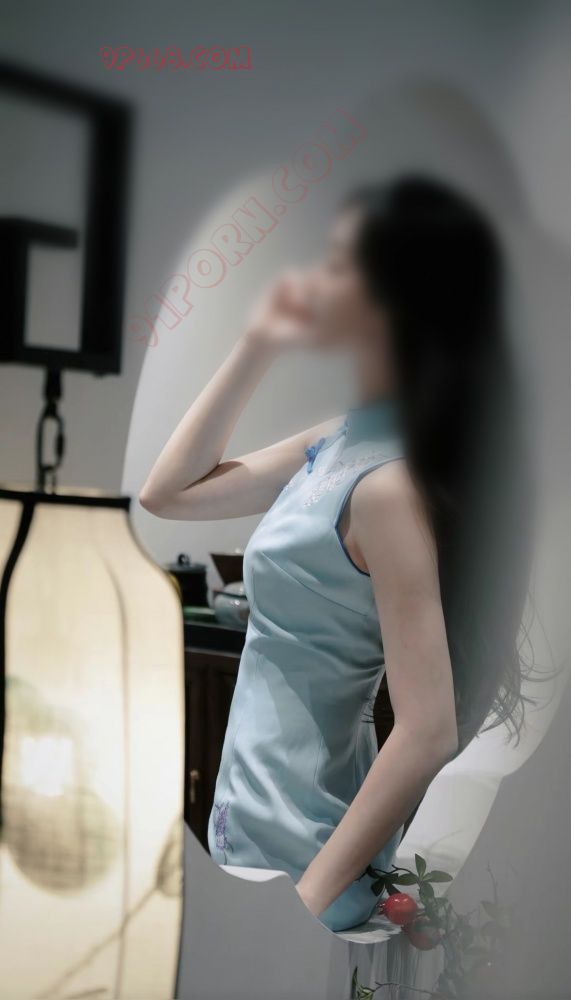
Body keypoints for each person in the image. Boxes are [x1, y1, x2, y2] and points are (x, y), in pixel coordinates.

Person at [139, 175, 534, 933]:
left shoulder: (388, 486)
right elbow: (169, 492)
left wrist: (313, 894)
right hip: (252, 822)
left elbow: (428, 728)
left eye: (341, 264)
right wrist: (258, 344)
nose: (314, 280)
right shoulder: (346, 438)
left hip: (303, 850)